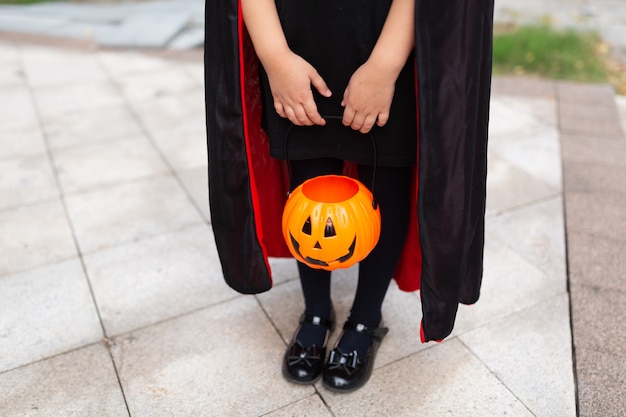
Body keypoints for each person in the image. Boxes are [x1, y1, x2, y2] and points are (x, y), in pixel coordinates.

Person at [204, 0, 494, 393]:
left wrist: (384, 66)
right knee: (307, 186)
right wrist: (275, 58)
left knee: (385, 183)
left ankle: (366, 317)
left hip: (391, 39)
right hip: (298, 44)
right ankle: (316, 312)